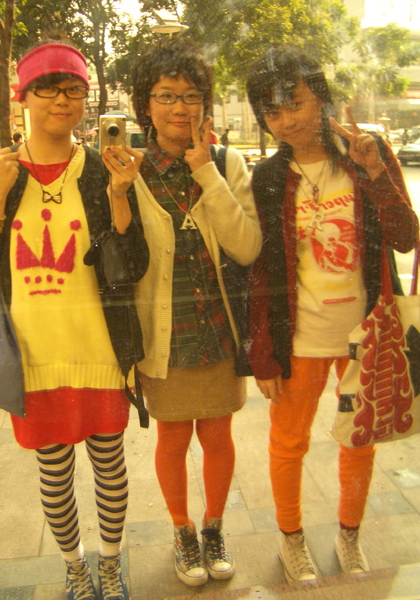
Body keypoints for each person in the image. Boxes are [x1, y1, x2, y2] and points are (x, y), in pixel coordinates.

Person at [0, 39, 148, 600]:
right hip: (32, 354)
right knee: (53, 471)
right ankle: (74, 569)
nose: (61, 100)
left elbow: (133, 265)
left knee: (110, 465)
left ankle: (110, 566)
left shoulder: (100, 170)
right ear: (23, 97)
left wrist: (120, 195)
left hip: (99, 348)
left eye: (73, 89)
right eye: (47, 88)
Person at [246, 45, 418, 583]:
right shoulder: (269, 177)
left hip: (365, 334)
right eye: (273, 112)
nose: (287, 120)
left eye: (295, 103)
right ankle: (291, 538)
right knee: (288, 442)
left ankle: (349, 534)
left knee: (358, 438)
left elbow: (406, 238)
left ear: (320, 97)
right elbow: (262, 270)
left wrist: (376, 173)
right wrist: (263, 354)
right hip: (298, 337)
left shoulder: (365, 153)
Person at [129, 37, 262, 587]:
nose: (179, 108)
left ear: (205, 103)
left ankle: (214, 527)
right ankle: (182, 530)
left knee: (218, 433)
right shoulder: (130, 168)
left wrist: (207, 172)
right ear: (146, 104)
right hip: (164, 333)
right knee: (172, 437)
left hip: (218, 328)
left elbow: (246, 247)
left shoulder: (227, 162)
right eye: (166, 95)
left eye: (190, 96)